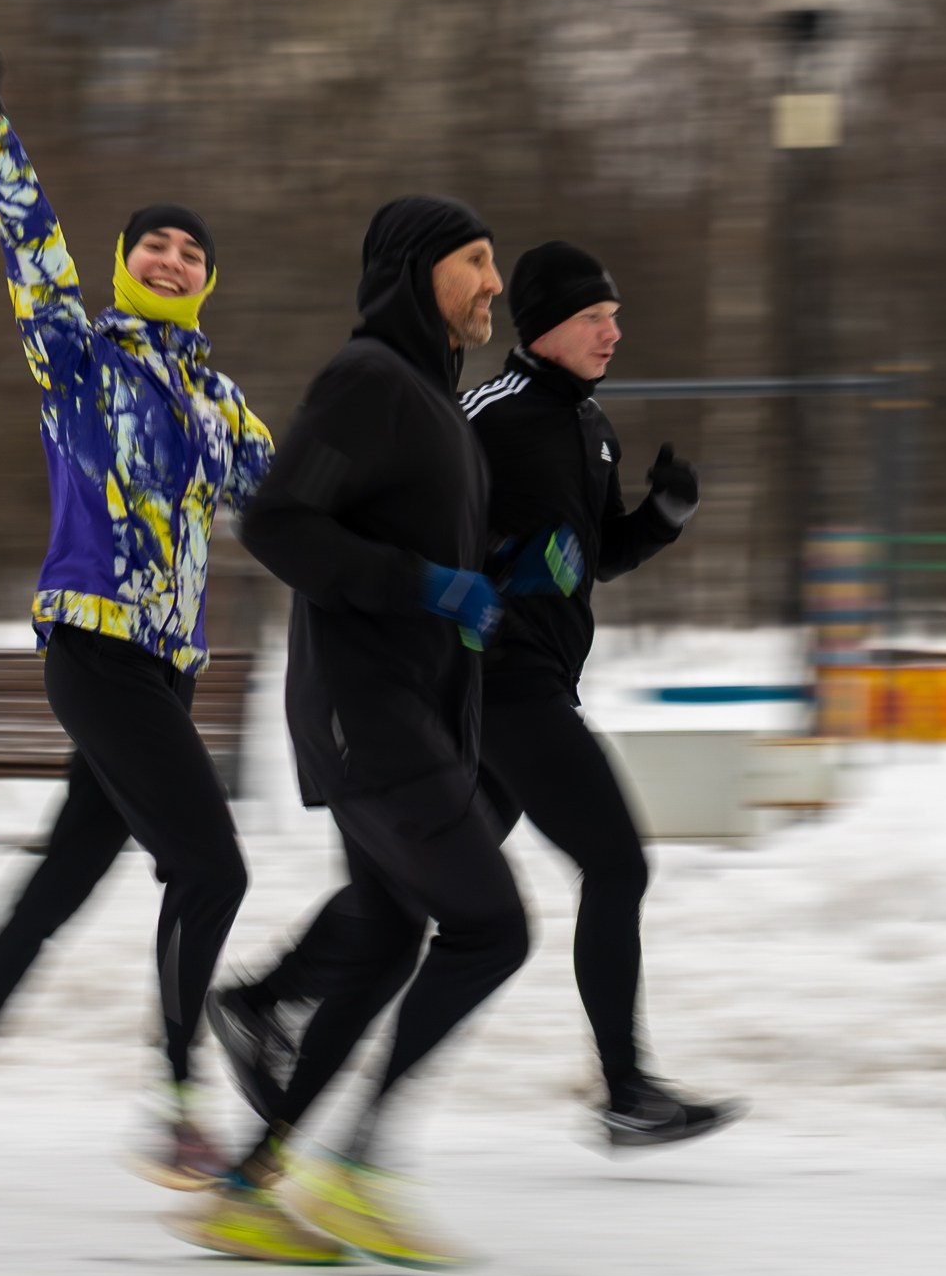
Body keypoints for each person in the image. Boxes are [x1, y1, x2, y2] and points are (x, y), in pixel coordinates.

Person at [0, 5, 273, 1200]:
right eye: (155, 246)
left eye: (191, 253)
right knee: (215, 869)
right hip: (93, 652)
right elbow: (27, 239)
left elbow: (295, 499)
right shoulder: (76, 353)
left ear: (207, 279)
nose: (172, 260)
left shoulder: (218, 403)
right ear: (125, 261)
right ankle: (183, 1110)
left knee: (60, 886)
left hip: (161, 676)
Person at [214, 242, 739, 1149]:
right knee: (615, 864)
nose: (613, 330)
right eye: (593, 316)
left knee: (412, 895)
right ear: (541, 325)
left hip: (531, 683)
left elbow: (589, 559)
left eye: (615, 315)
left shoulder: (591, 426)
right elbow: (422, 516)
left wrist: (656, 521)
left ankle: (263, 1005)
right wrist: (491, 572)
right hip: (494, 684)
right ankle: (622, 1087)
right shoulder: (484, 413)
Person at [165, 196, 563, 1269]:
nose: (493, 284)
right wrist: (425, 586)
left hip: (406, 715)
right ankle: (360, 1170)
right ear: (414, 271)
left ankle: (252, 1189)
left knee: (390, 936)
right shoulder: (370, 381)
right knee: (493, 929)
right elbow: (281, 520)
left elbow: (426, 553)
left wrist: (505, 573)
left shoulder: (433, 403)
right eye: (475, 262)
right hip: (368, 715)